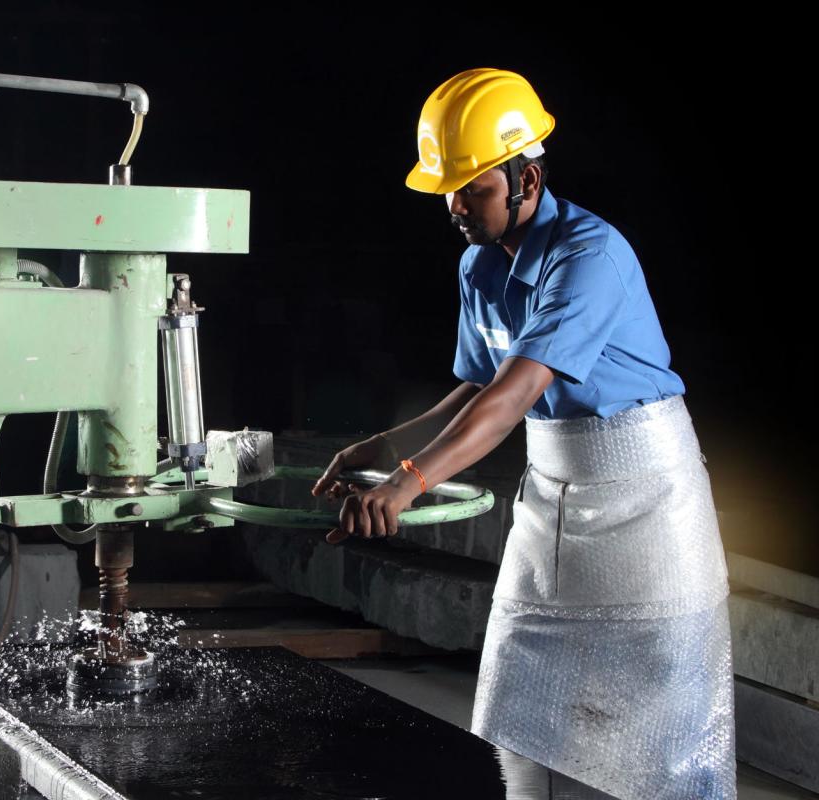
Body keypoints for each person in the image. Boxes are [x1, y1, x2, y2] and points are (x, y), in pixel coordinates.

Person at [310, 68, 735, 799]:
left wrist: (410, 482)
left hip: (646, 501)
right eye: (448, 189)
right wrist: (382, 448)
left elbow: (513, 397)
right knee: (517, 713)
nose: (455, 206)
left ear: (526, 179)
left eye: (472, 188)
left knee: (663, 737)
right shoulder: (479, 265)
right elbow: (481, 385)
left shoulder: (588, 256)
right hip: (552, 499)